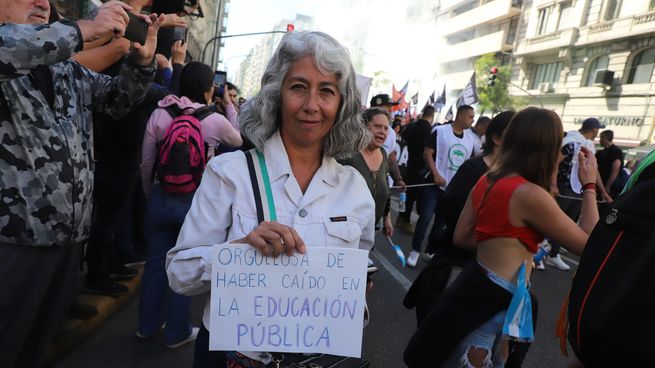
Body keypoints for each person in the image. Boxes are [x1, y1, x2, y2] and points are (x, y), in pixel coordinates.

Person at [165, 31, 375, 367]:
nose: (311, 105)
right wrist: (237, 252)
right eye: (298, 87)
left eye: (326, 91)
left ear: (341, 103)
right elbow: (179, 273)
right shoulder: (228, 172)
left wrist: (355, 290)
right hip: (231, 358)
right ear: (276, 94)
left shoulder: (355, 189)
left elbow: (360, 269)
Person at [0, 1, 160, 367]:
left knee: (34, 348)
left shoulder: (63, 70)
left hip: (68, 242)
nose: (43, 3)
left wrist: (141, 63)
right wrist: (84, 29)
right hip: (14, 241)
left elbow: (117, 101)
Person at [404, 107, 599, 368]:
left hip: (475, 286)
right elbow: (592, 246)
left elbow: (461, 237)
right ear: (548, 147)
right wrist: (588, 186)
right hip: (498, 299)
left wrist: (502, 240)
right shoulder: (531, 195)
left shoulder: (487, 180)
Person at [137, 61, 242, 349]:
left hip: (160, 197)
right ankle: (177, 332)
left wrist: (150, 194)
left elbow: (146, 161)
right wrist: (229, 103)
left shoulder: (160, 113)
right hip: (194, 203)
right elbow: (238, 138)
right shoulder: (214, 120)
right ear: (210, 90)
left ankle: (147, 326)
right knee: (184, 265)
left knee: (155, 263)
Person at [403, 111, 514, 324]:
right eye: (516, 135)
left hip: (489, 272)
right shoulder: (473, 168)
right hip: (457, 263)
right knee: (435, 325)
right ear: (497, 138)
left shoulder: (514, 176)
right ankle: (417, 250)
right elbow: (453, 211)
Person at [407, 104, 478, 267]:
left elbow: (468, 163)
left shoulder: (470, 139)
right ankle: (415, 250)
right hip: (434, 184)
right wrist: (436, 174)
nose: (472, 120)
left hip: (452, 188)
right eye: (470, 117)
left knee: (441, 222)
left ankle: (430, 250)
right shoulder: (440, 131)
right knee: (425, 216)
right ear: (460, 116)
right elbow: (427, 154)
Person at [340, 108, 394, 236]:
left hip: (370, 231)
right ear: (364, 126)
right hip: (343, 231)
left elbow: (386, 188)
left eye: (386, 128)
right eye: (377, 126)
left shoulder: (383, 155)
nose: (383, 132)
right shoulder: (348, 154)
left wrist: (387, 219)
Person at [396, 105, 436, 234]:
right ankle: (405, 220)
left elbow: (403, 136)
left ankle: (401, 218)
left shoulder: (412, 125)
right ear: (432, 115)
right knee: (412, 196)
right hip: (420, 167)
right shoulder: (429, 130)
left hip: (408, 162)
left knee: (405, 194)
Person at [596, 129, 626, 199]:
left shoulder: (616, 151)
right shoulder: (600, 153)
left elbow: (616, 169)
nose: (599, 140)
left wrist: (608, 186)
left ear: (606, 138)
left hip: (611, 186)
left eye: (601, 138)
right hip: (600, 184)